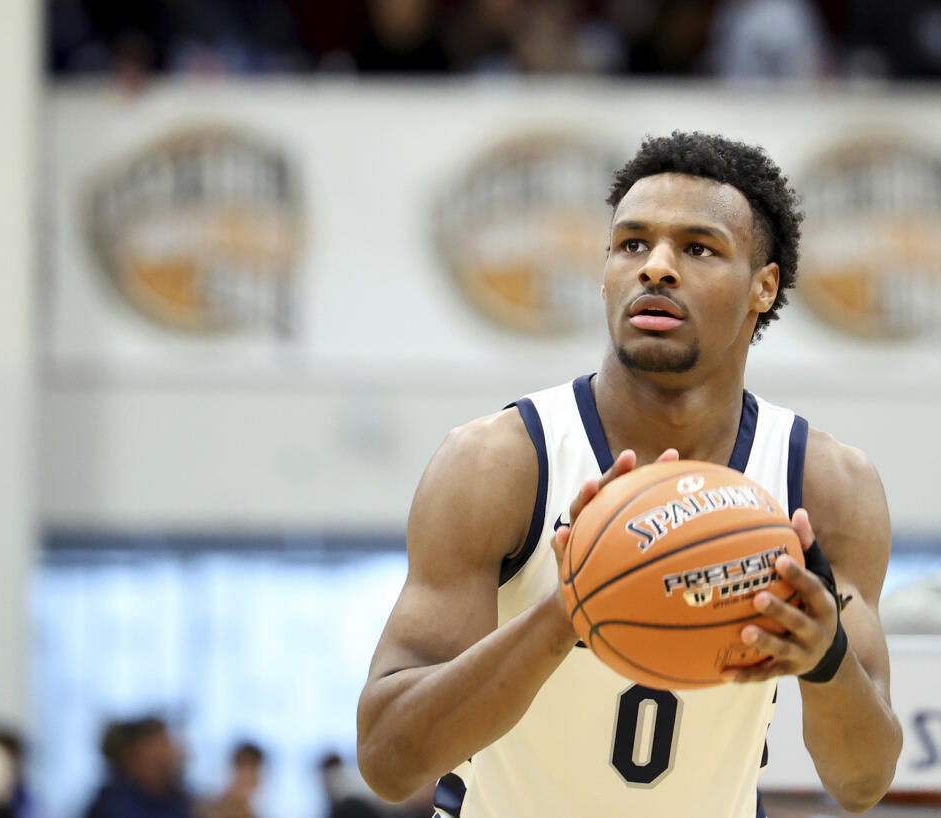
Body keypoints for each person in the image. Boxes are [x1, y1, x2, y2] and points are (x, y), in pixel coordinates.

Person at [356, 132, 903, 817]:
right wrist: (565, 613)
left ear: (764, 285)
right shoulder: (501, 463)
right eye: (631, 244)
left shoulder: (826, 485)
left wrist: (826, 660)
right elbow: (387, 759)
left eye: (698, 248)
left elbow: (862, 782)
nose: (657, 268)